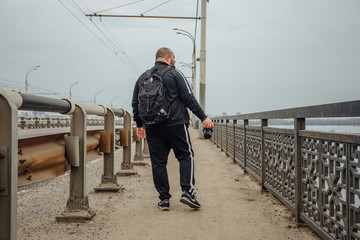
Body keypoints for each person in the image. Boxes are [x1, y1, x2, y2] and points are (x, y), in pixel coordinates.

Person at [132, 47, 214, 211]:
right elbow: (188, 98)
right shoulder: (175, 74)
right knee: (185, 155)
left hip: (152, 127)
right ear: (168, 58)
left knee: (158, 163)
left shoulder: (142, 77)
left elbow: (135, 104)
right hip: (175, 124)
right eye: (174, 57)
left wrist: (140, 125)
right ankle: (187, 192)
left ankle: (164, 200)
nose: (175, 61)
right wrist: (204, 117)